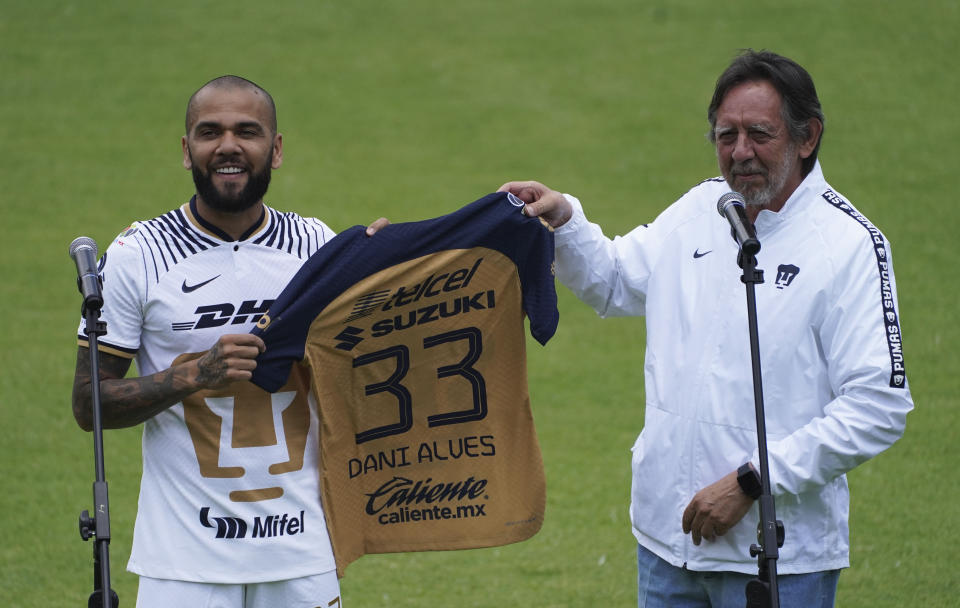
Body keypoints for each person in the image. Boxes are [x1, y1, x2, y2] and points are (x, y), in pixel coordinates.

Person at [500, 50, 913, 607]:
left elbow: (877, 404)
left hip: (779, 564)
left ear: (807, 136)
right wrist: (565, 221)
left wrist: (753, 480)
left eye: (759, 134)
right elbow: (618, 280)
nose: (740, 152)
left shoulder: (848, 244)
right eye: (726, 135)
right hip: (668, 547)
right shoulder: (704, 208)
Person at [72, 75, 384, 607]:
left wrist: (387, 270)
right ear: (187, 150)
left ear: (276, 149)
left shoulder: (317, 246)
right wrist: (195, 373)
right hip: (183, 559)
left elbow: (367, 369)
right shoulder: (139, 254)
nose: (228, 146)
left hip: (302, 548)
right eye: (209, 132)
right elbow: (88, 405)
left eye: (248, 131)